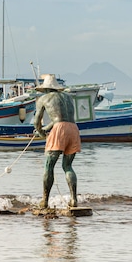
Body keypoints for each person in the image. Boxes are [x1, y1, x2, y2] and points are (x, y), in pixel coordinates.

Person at [34, 74, 81, 209]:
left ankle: (44, 201)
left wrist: (40, 132)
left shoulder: (43, 99)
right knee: (68, 166)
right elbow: (61, 119)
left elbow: (37, 121)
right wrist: (46, 129)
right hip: (73, 129)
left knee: (49, 166)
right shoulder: (68, 98)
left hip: (59, 129)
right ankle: (73, 199)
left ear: (45, 89)